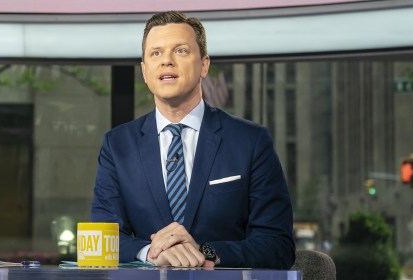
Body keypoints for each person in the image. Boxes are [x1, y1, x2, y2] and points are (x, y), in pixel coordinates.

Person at [91, 10, 295, 269]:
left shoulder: (251, 141)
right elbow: (101, 237)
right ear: (144, 71)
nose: (166, 61)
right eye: (156, 53)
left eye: (181, 51)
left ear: (204, 65)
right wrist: (151, 252)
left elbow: (278, 244)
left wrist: (204, 252)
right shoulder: (117, 145)